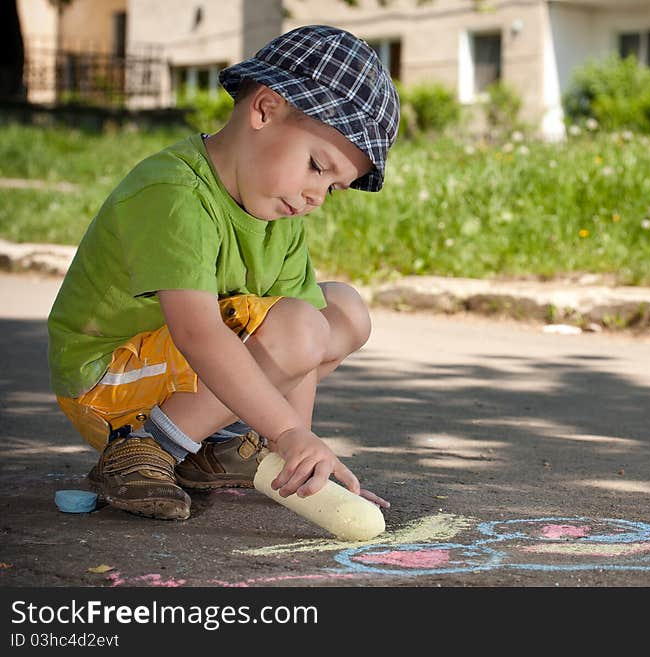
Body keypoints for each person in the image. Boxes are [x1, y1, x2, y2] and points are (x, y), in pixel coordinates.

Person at [47, 25, 400, 521]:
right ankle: (144, 450)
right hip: (108, 383)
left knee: (343, 310)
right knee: (300, 324)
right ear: (264, 109)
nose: (316, 197)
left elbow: (307, 346)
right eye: (317, 166)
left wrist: (296, 457)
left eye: (335, 187)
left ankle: (211, 447)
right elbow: (198, 333)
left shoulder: (278, 212)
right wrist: (289, 433)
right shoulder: (173, 190)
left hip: (171, 377)